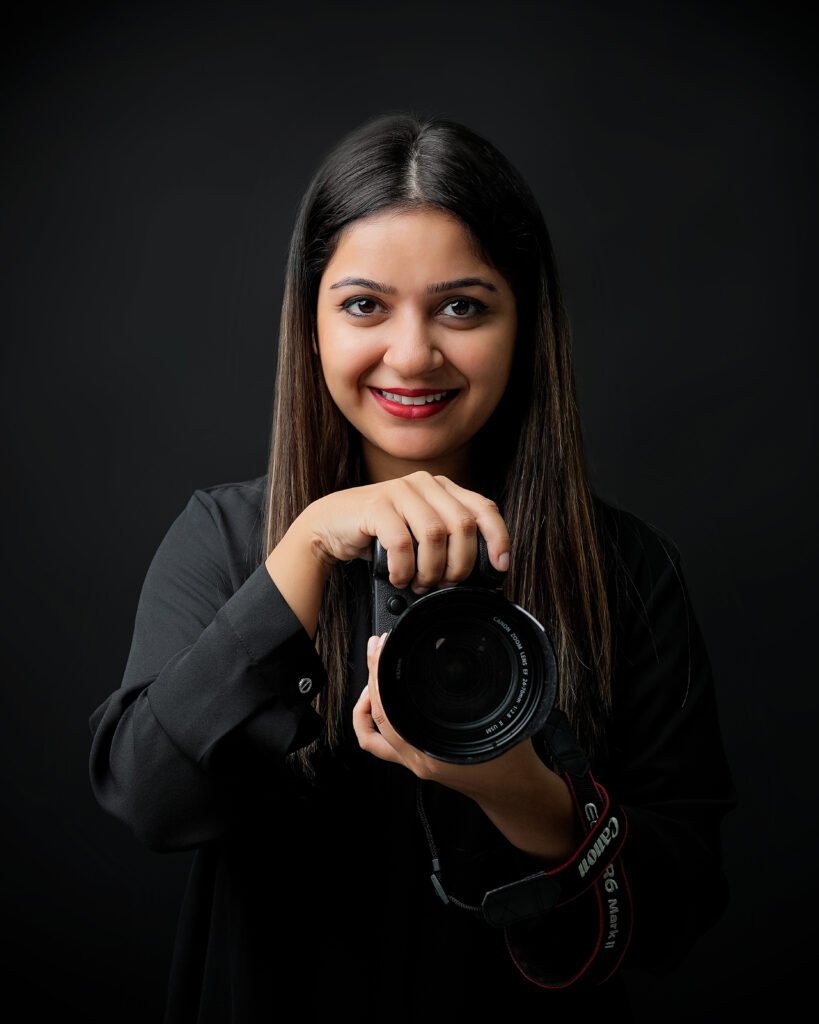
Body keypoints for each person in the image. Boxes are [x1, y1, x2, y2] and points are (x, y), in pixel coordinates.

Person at [88, 111, 736, 1022]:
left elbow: (678, 910)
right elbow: (150, 799)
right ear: (309, 327)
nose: (411, 353)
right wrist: (308, 545)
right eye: (363, 305)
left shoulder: (622, 567)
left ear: (524, 325)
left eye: (461, 306)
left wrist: (524, 795)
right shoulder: (231, 541)